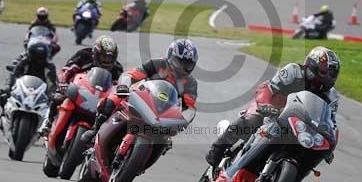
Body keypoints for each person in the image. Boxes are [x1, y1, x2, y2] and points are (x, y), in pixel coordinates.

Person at [206, 46, 340, 167]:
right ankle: (217, 149)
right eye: (324, 72)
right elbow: (267, 88)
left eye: (332, 74)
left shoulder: (332, 96)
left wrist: (330, 145)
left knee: (311, 153)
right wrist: (265, 104)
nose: (328, 78)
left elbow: (331, 123)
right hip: (271, 111)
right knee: (250, 120)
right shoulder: (293, 71)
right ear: (311, 66)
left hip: (299, 126)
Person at [73, 38, 199, 153]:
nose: (182, 67)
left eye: (187, 64)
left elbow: (190, 106)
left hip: (164, 112)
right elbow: (131, 75)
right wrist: (125, 85)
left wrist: (183, 120)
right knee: (114, 98)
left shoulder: (190, 83)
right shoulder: (157, 64)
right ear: (170, 56)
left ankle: (145, 158)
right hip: (143, 98)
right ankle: (95, 130)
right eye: (179, 62)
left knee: (167, 140)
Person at [41, 35, 124, 139]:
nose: (107, 60)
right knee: (58, 97)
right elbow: (66, 70)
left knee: (112, 116)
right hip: (76, 89)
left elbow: (117, 87)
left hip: (99, 97)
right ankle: (48, 122)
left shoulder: (117, 68)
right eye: (104, 56)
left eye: (110, 57)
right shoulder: (83, 55)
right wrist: (63, 83)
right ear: (96, 53)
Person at [0, 42, 58, 117]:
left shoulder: (50, 65)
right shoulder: (24, 61)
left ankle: (48, 122)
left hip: (41, 91)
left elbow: (53, 82)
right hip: (23, 87)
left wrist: (52, 93)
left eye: (41, 58)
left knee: (55, 103)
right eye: (37, 57)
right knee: (3, 95)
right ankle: (4, 113)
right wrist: (9, 86)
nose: (38, 60)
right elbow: (15, 74)